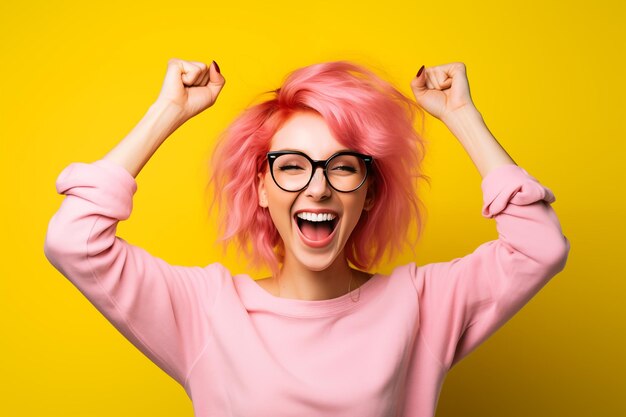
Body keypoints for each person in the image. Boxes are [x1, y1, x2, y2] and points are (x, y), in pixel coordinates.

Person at [44, 58, 570, 417]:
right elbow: (74, 240)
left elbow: (539, 246)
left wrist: (463, 117)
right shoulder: (206, 311)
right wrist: (167, 112)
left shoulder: (421, 305)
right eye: (291, 166)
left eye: (342, 167)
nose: (317, 188)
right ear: (262, 189)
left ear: (368, 192)